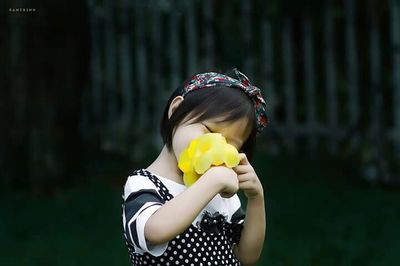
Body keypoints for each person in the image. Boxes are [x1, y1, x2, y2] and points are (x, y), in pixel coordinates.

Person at [122, 69, 268, 266]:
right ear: (175, 110)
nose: (217, 147)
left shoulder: (221, 192)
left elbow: (247, 256)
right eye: (209, 131)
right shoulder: (144, 183)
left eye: (230, 145)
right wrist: (212, 181)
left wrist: (256, 198)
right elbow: (154, 231)